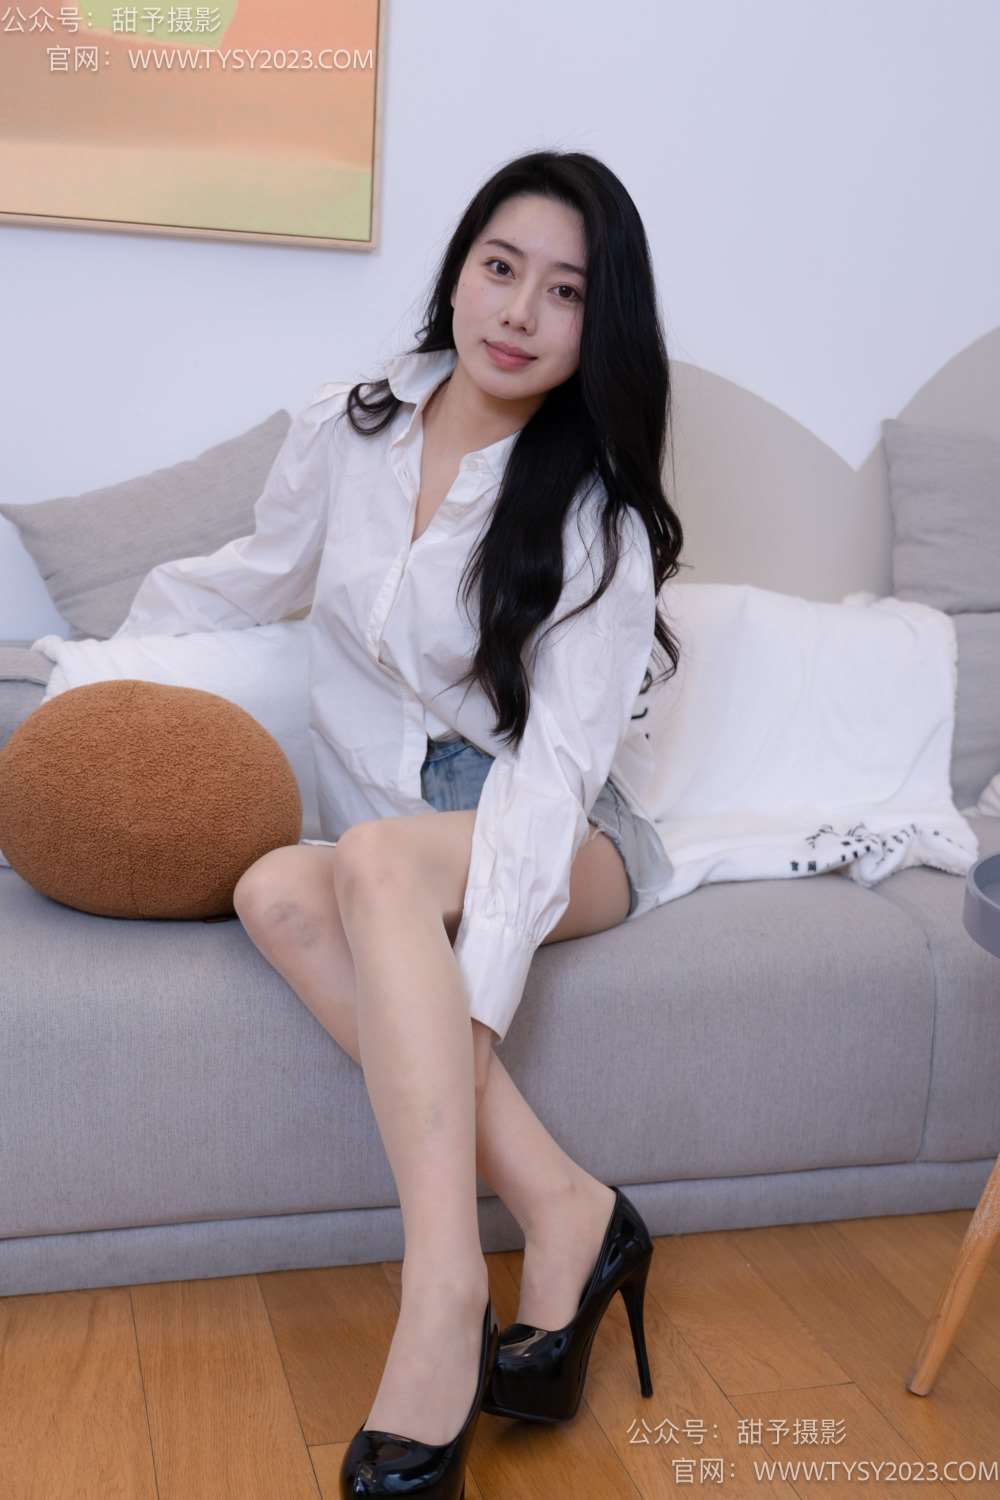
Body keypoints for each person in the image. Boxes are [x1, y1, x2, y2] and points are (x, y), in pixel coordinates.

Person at [115, 149, 685, 1497]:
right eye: (501, 267)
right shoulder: (352, 426)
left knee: (371, 864)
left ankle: (443, 1294)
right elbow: (255, 576)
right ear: (459, 270)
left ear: (599, 323)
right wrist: (92, 673)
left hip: (570, 832)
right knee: (274, 888)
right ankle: (566, 1205)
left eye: (565, 291)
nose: (519, 311)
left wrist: (474, 985)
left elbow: (552, 783)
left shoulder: (598, 516)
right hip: (401, 833)